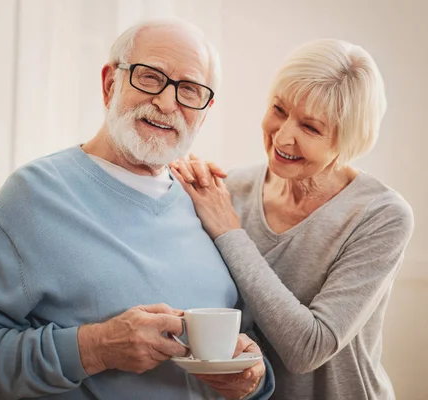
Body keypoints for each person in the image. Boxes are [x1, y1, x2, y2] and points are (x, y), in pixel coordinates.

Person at [0, 18, 274, 400]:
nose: (165, 101)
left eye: (189, 90)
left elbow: (249, 345)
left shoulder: (210, 202)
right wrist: (96, 347)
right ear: (111, 83)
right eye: (149, 77)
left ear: (205, 111)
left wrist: (253, 378)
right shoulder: (34, 195)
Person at [170, 38, 414, 400]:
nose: (283, 136)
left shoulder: (381, 215)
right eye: (279, 109)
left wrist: (229, 232)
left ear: (347, 141)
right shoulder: (231, 190)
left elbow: (308, 349)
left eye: (311, 128)